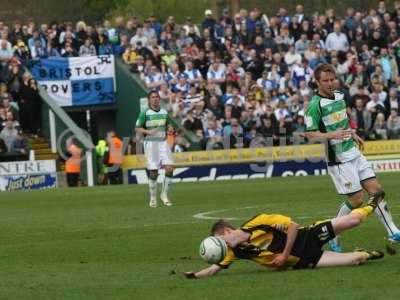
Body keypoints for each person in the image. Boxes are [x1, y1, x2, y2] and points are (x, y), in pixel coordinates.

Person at [304, 63, 400, 252]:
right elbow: (311, 134)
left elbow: (343, 119)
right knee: (357, 200)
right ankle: (334, 235)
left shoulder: (339, 96)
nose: (330, 83)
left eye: (332, 79)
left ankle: (393, 231)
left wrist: (352, 133)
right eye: (325, 80)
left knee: (377, 191)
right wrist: (332, 135)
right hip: (338, 159)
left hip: (354, 152)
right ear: (317, 82)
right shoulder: (314, 106)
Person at [184, 193, 385, 279]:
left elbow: (293, 226)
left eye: (220, 240)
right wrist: (195, 275)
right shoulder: (235, 251)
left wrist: (283, 255)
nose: (222, 247)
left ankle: (372, 203)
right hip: (306, 260)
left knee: (353, 221)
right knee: (355, 260)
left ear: (227, 232)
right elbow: (213, 269)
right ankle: (365, 253)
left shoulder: (258, 221)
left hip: (308, 236)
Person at [135, 91, 174, 207]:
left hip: (163, 143)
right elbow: (137, 128)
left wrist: (170, 128)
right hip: (151, 144)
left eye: (157, 97)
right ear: (149, 100)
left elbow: (169, 124)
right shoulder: (145, 113)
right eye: (153, 97)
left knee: (170, 169)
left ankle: (164, 195)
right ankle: (152, 198)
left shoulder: (164, 112)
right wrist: (148, 131)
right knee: (153, 172)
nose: (155, 99)